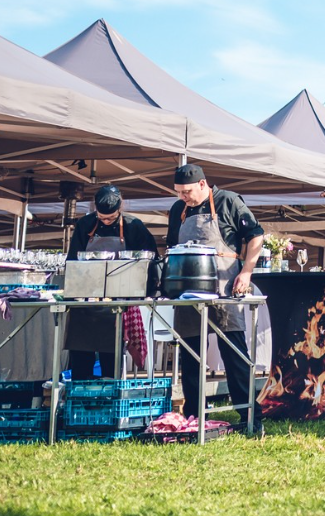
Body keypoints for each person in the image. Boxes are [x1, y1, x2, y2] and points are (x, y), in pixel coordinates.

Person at [166, 164, 265, 415]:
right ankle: (192, 416)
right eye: (178, 192)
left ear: (202, 184)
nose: (182, 197)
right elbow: (171, 248)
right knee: (190, 356)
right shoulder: (178, 210)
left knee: (233, 353)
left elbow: (256, 235)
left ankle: (248, 414)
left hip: (223, 288)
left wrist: (247, 271)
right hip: (187, 291)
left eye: (186, 191)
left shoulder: (228, 201)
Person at [65, 184, 157, 378]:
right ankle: (80, 401)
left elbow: (151, 262)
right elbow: (72, 262)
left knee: (111, 362)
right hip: (85, 304)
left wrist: (147, 293)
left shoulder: (134, 227)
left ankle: (110, 401)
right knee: (81, 361)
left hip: (118, 304)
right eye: (102, 217)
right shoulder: (85, 225)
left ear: (120, 208)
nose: (106, 222)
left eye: (111, 218)